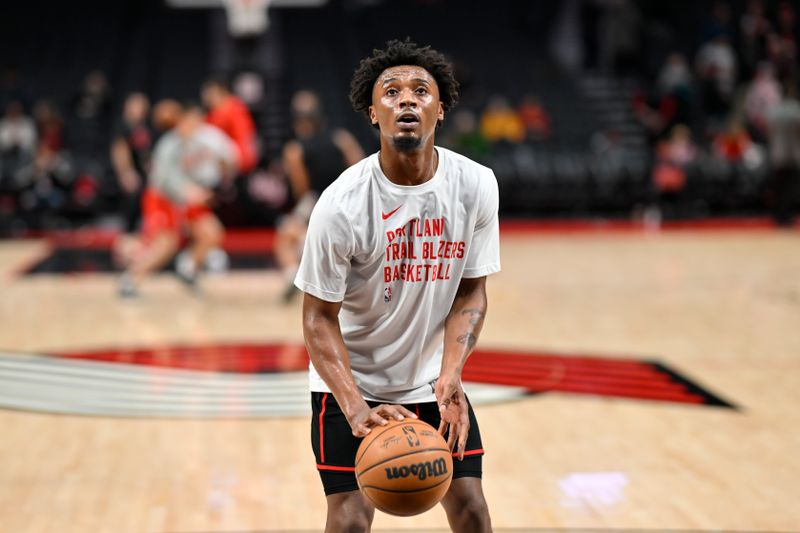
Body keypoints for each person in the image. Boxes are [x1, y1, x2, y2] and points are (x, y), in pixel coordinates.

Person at [294, 39, 500, 532]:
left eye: (420, 91)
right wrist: (355, 406)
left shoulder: (475, 185)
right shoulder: (341, 205)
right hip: (352, 383)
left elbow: (472, 291)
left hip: (432, 381)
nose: (406, 99)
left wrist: (451, 374)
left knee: (471, 506)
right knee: (349, 520)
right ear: (373, 113)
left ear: (440, 109)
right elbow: (316, 317)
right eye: (391, 92)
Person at [116, 102, 238, 297]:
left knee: (212, 233)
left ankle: (187, 268)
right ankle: (130, 280)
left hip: (187, 199)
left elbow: (225, 164)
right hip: (163, 198)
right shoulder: (168, 144)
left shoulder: (206, 141)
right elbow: (163, 179)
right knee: (166, 244)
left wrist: (220, 175)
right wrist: (187, 191)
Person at [276, 90, 364, 302]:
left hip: (317, 200)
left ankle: (292, 277)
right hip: (345, 201)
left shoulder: (294, 150)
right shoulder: (342, 139)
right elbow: (360, 169)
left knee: (284, 238)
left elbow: (301, 188)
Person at [110, 92, 153, 233]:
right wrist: (126, 172)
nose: (140, 109)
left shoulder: (143, 127)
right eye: (136, 105)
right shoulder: (123, 126)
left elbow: (145, 152)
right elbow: (119, 150)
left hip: (142, 175)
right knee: (130, 210)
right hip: (130, 176)